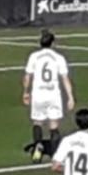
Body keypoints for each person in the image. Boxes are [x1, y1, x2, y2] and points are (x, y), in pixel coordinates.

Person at [22, 30, 75, 163]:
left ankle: (37, 149)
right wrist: (70, 96)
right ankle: (54, 154)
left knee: (37, 122)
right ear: (53, 43)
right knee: (54, 124)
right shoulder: (59, 57)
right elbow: (65, 78)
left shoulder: (34, 56)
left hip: (38, 94)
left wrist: (25, 92)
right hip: (53, 95)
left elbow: (27, 76)